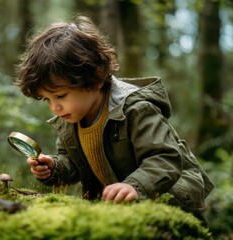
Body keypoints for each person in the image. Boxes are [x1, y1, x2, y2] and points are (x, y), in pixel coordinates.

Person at [13, 15, 214, 223]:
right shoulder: (70, 119)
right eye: (47, 99)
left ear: (97, 77)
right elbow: (72, 166)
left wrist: (134, 186)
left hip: (169, 201)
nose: (54, 107)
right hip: (119, 212)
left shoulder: (136, 109)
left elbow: (165, 158)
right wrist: (53, 168)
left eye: (61, 95)